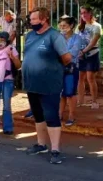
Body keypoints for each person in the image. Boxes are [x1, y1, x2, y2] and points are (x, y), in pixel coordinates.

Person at [22, 8, 73, 164]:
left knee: (51, 116)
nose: (31, 22)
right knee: (38, 115)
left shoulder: (54, 36)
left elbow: (67, 58)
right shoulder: (29, 36)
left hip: (49, 84)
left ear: (44, 19)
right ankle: (41, 144)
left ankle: (55, 149)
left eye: (34, 19)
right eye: (31, 19)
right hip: (32, 83)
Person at [0, 31, 21, 135]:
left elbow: (18, 65)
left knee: (6, 105)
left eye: (3, 40)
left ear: (7, 41)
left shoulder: (11, 49)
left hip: (8, 79)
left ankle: (8, 128)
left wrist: (12, 57)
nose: (0, 42)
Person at [59, 16, 86, 126]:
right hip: (59, 68)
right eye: (60, 26)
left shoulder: (77, 38)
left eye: (64, 26)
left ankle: (71, 115)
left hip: (71, 68)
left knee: (70, 93)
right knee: (60, 93)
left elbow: (72, 54)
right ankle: (59, 114)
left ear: (71, 26)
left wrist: (60, 56)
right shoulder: (58, 38)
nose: (62, 28)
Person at [77, 6, 103, 109]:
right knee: (80, 78)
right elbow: (76, 40)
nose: (83, 15)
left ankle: (94, 101)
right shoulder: (79, 26)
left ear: (90, 13)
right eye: (81, 13)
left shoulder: (97, 26)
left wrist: (83, 51)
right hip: (80, 54)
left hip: (91, 54)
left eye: (85, 13)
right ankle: (80, 101)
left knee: (90, 78)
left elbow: (93, 42)